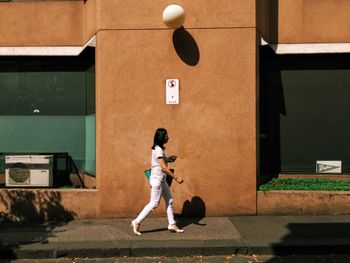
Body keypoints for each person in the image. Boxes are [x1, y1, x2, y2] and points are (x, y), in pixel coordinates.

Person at [131, 128, 184, 236]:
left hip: (162, 180)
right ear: (161, 137)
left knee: (169, 200)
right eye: (166, 136)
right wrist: (176, 177)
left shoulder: (160, 149)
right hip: (157, 180)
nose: (168, 137)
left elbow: (161, 162)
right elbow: (163, 167)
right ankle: (137, 221)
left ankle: (172, 224)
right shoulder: (158, 149)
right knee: (154, 203)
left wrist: (169, 159)